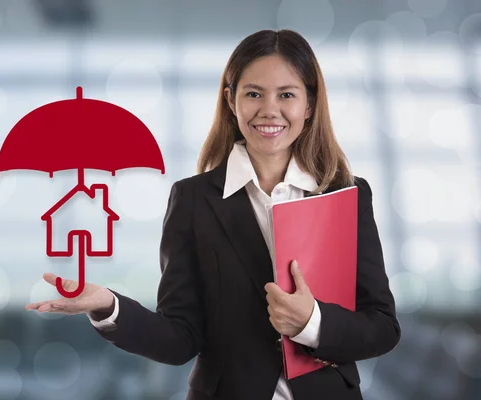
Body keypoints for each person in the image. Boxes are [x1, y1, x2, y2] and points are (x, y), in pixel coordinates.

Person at [26, 29, 401, 400]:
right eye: (253, 94)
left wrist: (311, 323)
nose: (269, 109)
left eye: (286, 94)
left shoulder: (346, 194)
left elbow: (382, 327)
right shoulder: (193, 200)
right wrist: (109, 305)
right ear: (231, 100)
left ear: (309, 105)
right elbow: (179, 339)